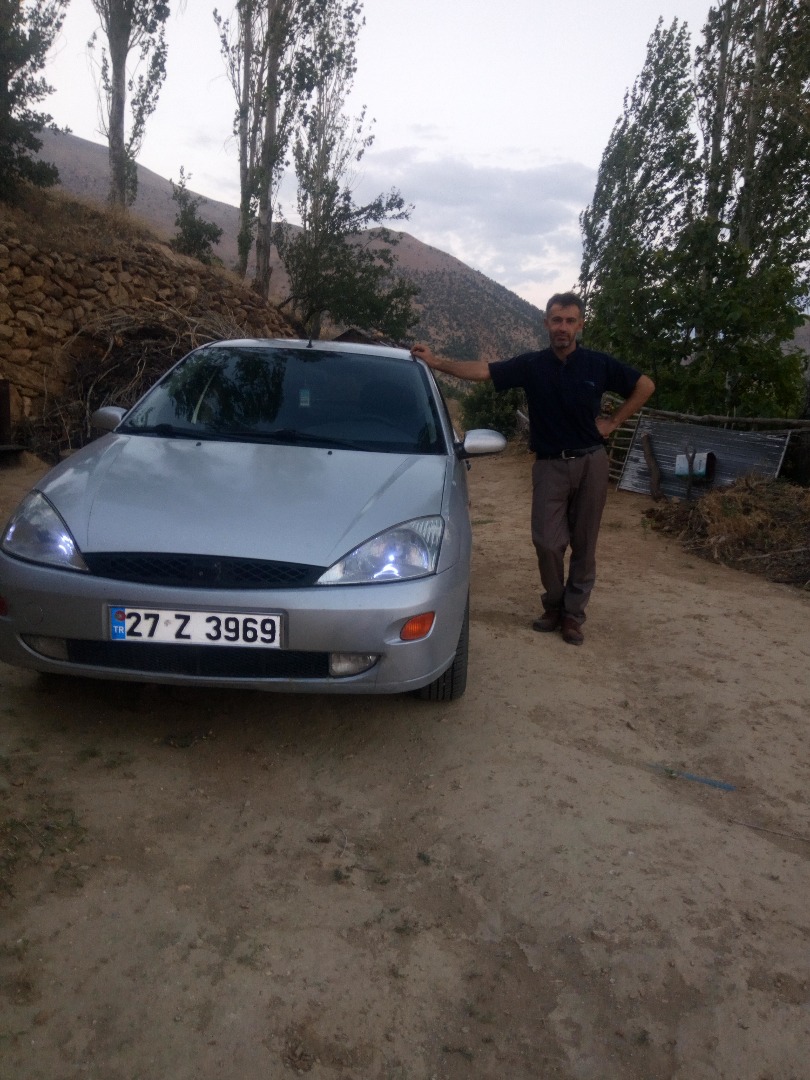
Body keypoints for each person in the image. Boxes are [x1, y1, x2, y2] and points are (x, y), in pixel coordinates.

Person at [411, 292, 655, 645]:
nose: (563, 327)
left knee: (585, 543)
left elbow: (645, 385)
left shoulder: (598, 365)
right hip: (549, 465)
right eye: (556, 320)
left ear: (580, 325)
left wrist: (614, 421)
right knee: (546, 541)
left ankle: (573, 616)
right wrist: (436, 362)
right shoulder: (533, 365)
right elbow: (484, 371)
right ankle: (554, 604)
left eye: (570, 321)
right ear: (546, 323)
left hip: (591, 462)